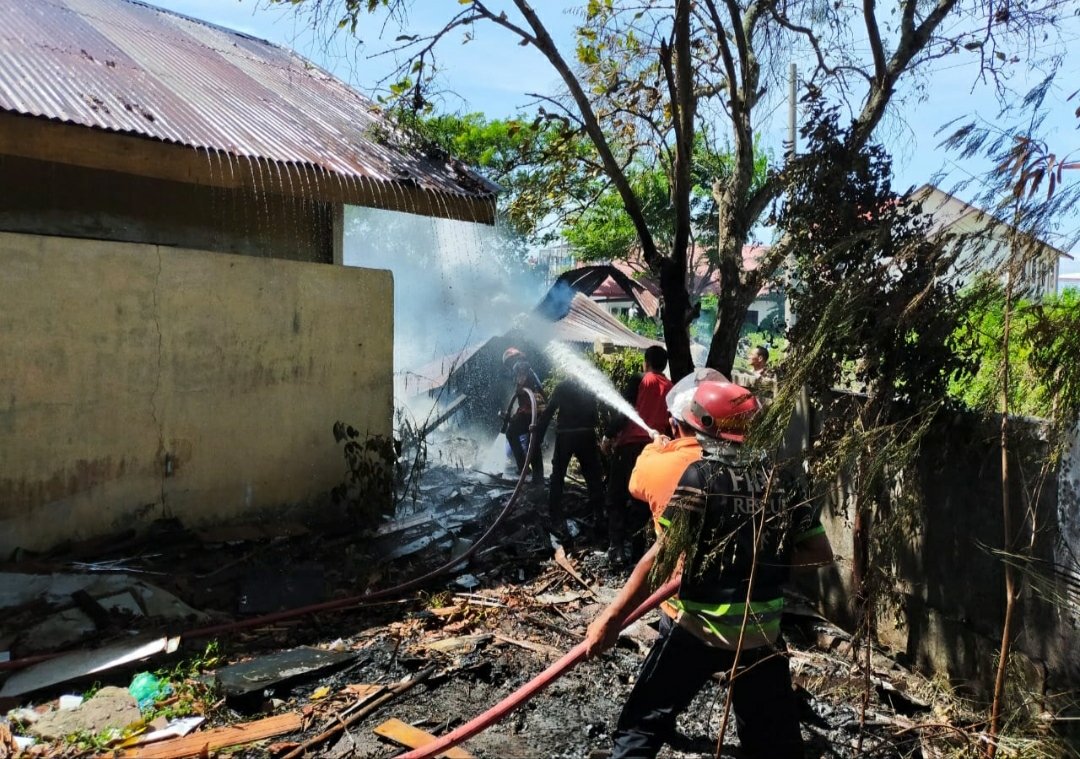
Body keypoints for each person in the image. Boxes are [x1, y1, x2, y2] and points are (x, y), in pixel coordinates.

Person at [585, 380, 834, 759]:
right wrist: (759, 558)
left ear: (704, 428)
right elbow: (819, 554)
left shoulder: (702, 477)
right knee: (774, 745)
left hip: (697, 629)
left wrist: (612, 617)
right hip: (761, 635)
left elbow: (659, 559)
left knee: (640, 726)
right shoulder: (781, 481)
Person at [602, 345, 672, 566]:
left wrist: (608, 435)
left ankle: (616, 549)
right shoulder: (670, 387)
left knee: (616, 497)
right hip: (654, 452)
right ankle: (638, 552)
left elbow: (625, 410)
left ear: (646, 361)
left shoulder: (641, 379)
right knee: (641, 502)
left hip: (630, 447)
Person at [536, 376, 605, 541]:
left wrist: (538, 437)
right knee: (593, 477)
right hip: (586, 434)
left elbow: (548, 412)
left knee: (558, 476)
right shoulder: (589, 384)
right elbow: (601, 409)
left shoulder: (562, 386)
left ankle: (555, 516)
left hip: (566, 436)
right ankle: (600, 517)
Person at [503, 360, 546, 486]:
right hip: (534, 415)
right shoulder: (530, 381)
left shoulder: (529, 383)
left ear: (524, 373)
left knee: (512, 433)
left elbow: (531, 404)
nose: (517, 378)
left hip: (532, 414)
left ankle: (524, 468)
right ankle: (537, 479)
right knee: (532, 444)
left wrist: (515, 418)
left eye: (519, 375)